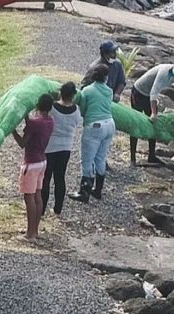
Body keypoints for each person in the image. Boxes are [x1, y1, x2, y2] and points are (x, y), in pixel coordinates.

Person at [129, 56, 174, 165]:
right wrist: (153, 113)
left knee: (154, 126)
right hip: (139, 92)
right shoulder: (164, 71)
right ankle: (132, 158)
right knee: (136, 124)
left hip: (149, 97)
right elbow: (154, 92)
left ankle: (151, 156)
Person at [70, 64, 115, 203]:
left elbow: (83, 110)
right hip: (110, 124)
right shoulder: (109, 91)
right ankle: (98, 190)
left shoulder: (87, 91)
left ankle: (84, 192)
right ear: (106, 77)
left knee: (87, 160)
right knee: (100, 158)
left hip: (95, 126)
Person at [13, 94, 55, 241]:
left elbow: (22, 143)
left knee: (28, 197)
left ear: (38, 104)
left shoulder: (34, 124)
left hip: (31, 163)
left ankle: (29, 234)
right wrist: (27, 119)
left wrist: (13, 130)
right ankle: (35, 231)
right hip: (42, 161)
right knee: (38, 196)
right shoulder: (50, 121)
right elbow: (33, 125)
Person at [42, 82, 83, 216]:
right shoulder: (76, 110)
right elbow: (77, 124)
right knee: (60, 177)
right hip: (66, 147)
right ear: (73, 96)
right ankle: (58, 209)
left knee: (46, 178)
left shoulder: (52, 108)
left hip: (50, 146)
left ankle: (41, 209)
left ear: (60, 93)